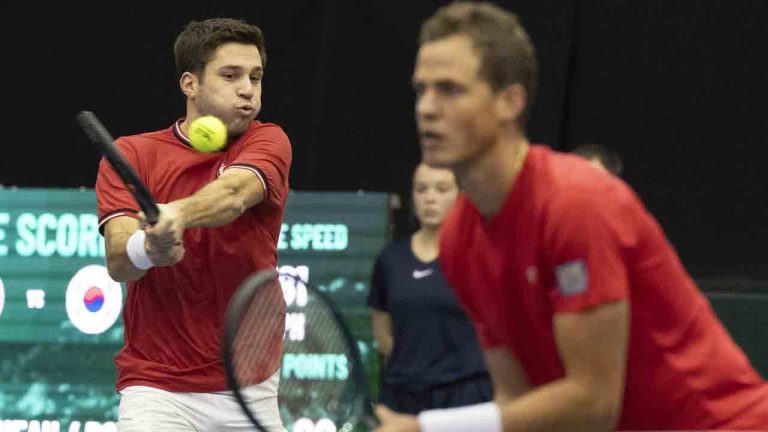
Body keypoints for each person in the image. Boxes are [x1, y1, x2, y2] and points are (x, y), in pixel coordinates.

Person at [376, 2, 768, 431]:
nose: (426, 108)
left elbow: (594, 402)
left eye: (450, 89)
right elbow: (517, 403)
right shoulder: (458, 240)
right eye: (421, 89)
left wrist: (428, 429)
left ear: (511, 100)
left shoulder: (576, 203)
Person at [95, 18, 291, 431]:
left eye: (255, 77)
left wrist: (177, 215)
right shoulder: (133, 153)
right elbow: (119, 262)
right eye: (230, 75)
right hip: (157, 388)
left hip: (249, 385)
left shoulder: (269, 140)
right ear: (190, 84)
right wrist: (148, 250)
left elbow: (235, 193)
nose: (247, 89)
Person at [368, 163, 492, 415]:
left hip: (466, 398)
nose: (430, 198)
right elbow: (382, 330)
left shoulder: (480, 254)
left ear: (461, 195)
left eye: (442, 189)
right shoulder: (391, 258)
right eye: (421, 189)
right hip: (402, 397)